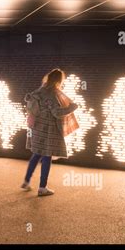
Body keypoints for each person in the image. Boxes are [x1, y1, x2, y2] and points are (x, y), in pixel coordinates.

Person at [22, 68, 79, 196]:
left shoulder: (39, 90)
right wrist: (71, 108)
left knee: (36, 154)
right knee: (47, 156)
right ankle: (42, 188)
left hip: (36, 128)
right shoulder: (52, 93)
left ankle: (26, 181)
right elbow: (57, 112)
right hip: (48, 130)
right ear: (59, 80)